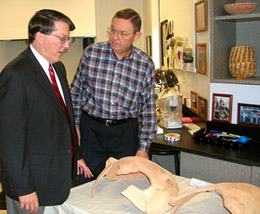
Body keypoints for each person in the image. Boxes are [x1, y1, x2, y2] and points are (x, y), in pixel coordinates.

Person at [0, 9, 93, 214]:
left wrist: (76, 155)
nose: (67, 46)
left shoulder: (57, 67)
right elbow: (10, 141)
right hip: (32, 187)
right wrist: (24, 188)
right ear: (40, 36)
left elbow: (64, 118)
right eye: (62, 39)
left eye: (68, 40)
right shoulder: (15, 75)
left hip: (56, 178)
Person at [71, 8, 157, 184]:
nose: (114, 37)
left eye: (123, 33)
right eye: (113, 30)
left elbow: (148, 110)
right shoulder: (92, 53)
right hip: (91, 130)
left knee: (123, 185)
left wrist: (143, 148)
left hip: (124, 133)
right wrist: (75, 126)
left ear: (137, 35)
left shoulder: (145, 64)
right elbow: (76, 93)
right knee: (86, 183)